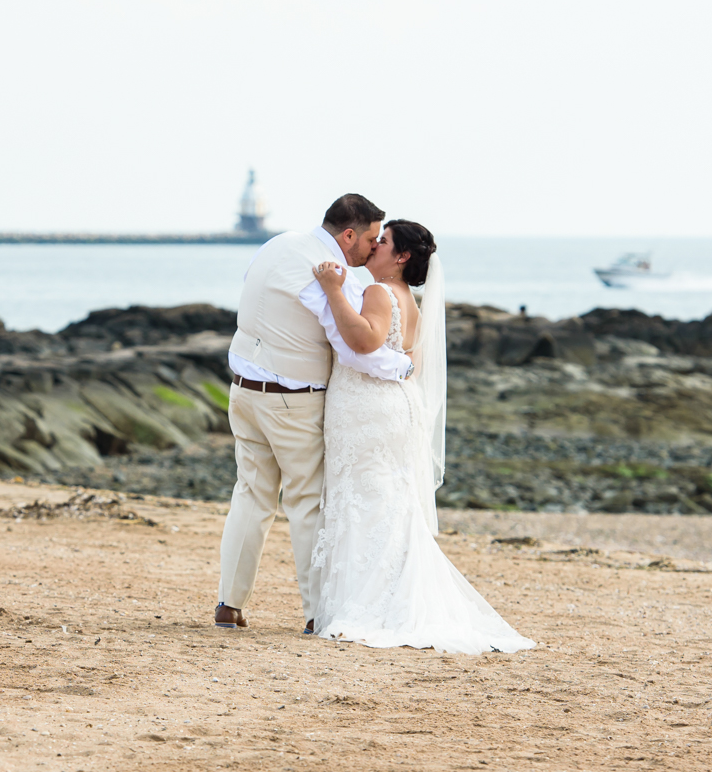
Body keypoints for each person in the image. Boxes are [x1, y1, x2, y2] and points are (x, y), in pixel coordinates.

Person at [306, 221, 534, 654]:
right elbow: (412, 362)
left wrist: (334, 290)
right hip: (397, 407)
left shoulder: (379, 292)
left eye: (384, 242)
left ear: (402, 257)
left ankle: (366, 606)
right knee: (389, 503)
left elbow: (365, 340)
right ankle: (393, 598)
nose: (374, 247)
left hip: (367, 410)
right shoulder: (411, 301)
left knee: (366, 503)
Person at [215, 194, 414, 631]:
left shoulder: (277, 245)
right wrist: (403, 365)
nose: (372, 248)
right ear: (348, 236)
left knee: (251, 494)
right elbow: (353, 346)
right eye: (370, 239)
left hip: (243, 389)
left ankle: (229, 604)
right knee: (307, 502)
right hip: (292, 397)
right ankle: (315, 614)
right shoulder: (324, 275)